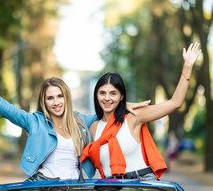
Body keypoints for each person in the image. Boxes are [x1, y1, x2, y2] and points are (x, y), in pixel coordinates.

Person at [0, 56, 149, 181]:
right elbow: (4, 108)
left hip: (75, 188)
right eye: (50, 98)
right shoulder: (35, 122)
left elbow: (108, 110)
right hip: (43, 186)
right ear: (44, 101)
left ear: (66, 98)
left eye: (59, 96)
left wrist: (126, 105)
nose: (56, 102)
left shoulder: (81, 122)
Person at [80, 42, 202, 181]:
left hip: (142, 187)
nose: (107, 98)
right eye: (102, 93)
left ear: (121, 97)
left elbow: (175, 103)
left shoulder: (134, 117)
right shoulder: (93, 127)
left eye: (113, 93)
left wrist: (187, 66)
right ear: (96, 96)